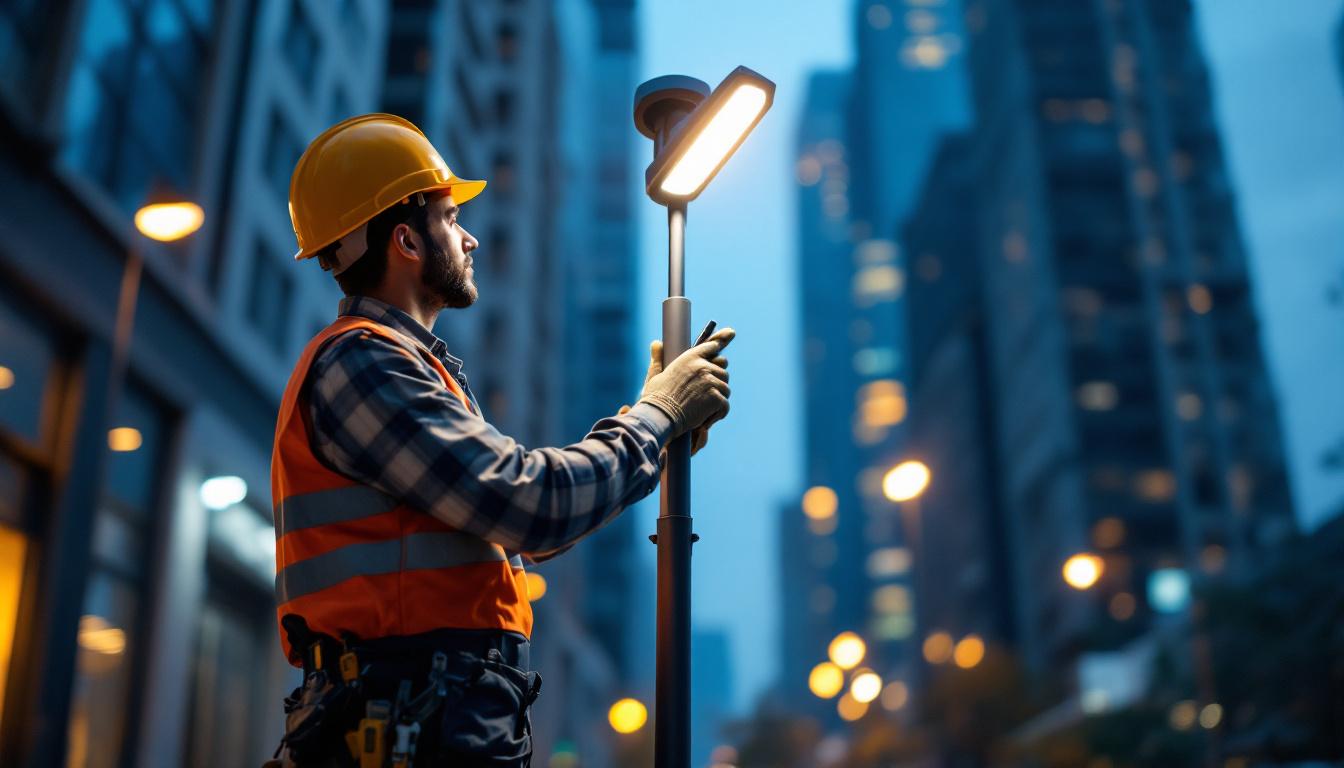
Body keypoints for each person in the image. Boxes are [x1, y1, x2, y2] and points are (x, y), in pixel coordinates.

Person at [267, 113, 734, 767]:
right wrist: (655, 419)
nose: (472, 238)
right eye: (452, 219)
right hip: (408, 722)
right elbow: (531, 506)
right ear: (405, 239)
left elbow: (520, 528)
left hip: (428, 717)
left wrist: (654, 426)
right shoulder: (363, 365)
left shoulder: (408, 370)